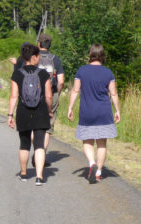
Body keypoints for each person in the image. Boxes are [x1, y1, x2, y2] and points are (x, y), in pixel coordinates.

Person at [67, 43, 121, 184]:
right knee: (102, 142)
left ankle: (91, 163)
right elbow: (113, 93)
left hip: (87, 111)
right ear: (102, 56)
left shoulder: (82, 71)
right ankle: (98, 172)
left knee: (87, 140)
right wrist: (117, 110)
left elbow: (75, 90)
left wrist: (70, 107)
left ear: (90, 54)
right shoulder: (108, 72)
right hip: (103, 111)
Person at [8, 43, 53, 186]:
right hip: (40, 112)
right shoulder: (43, 73)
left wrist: (10, 115)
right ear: (34, 57)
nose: (39, 58)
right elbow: (49, 96)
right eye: (38, 56)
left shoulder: (17, 73)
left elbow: (14, 96)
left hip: (23, 112)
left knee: (24, 144)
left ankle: (23, 173)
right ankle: (39, 177)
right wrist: (50, 110)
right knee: (39, 145)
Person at [35, 33, 64, 168]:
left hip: (34, 95)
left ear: (39, 44)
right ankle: (42, 154)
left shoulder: (33, 57)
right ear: (49, 45)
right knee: (48, 127)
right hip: (51, 94)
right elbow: (61, 81)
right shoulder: (55, 59)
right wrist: (57, 92)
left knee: (34, 124)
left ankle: (36, 151)